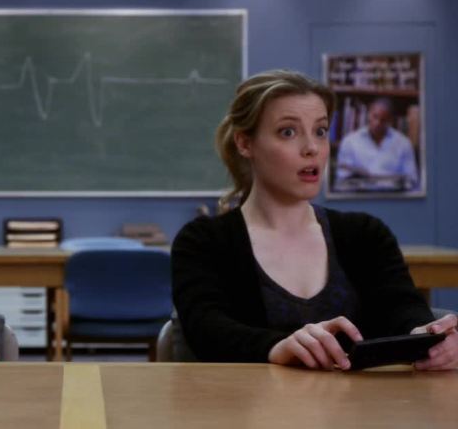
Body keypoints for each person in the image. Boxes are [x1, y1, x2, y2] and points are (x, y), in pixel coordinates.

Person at [172, 70, 457, 370]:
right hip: (248, 400)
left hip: (360, 401)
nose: (312, 148)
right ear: (245, 143)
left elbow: (401, 308)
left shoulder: (365, 234)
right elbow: (206, 329)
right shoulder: (203, 241)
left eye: (320, 131)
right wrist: (277, 347)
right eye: (288, 132)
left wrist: (428, 336)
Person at [335, 97, 419, 191]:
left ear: (390, 121)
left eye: (383, 120)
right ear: (368, 114)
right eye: (375, 116)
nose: (377, 123)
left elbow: (412, 182)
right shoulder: (349, 142)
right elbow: (341, 181)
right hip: (359, 197)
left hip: (393, 197)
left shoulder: (403, 143)